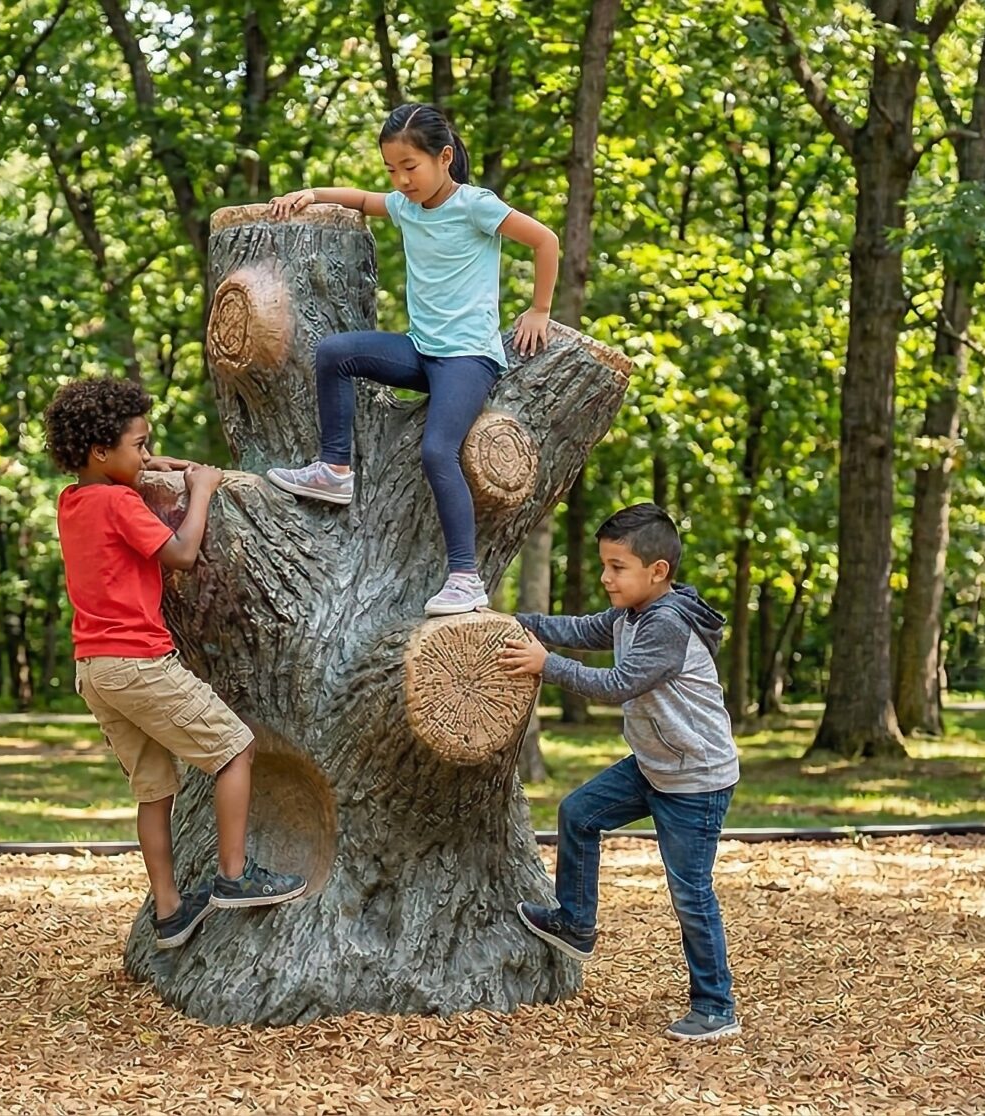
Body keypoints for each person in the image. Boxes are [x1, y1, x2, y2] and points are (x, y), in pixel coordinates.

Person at [263, 102, 561, 617]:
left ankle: (465, 578)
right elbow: (360, 199)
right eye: (392, 170)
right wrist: (311, 194)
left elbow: (545, 240)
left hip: (467, 359)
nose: (401, 180)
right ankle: (335, 469)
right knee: (335, 353)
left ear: (444, 157)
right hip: (422, 352)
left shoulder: (475, 205)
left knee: (436, 450)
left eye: (411, 167)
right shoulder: (405, 207)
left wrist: (539, 309)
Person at [44, 377, 305, 949]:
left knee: (154, 791)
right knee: (235, 749)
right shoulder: (118, 501)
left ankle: (169, 911)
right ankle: (234, 878)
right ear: (100, 452)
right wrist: (203, 490)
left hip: (94, 669)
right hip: (139, 662)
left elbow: (130, 471)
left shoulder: (75, 500)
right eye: (140, 444)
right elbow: (182, 555)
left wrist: (146, 461)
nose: (147, 453)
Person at [496, 503, 743, 1042]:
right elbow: (582, 628)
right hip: (656, 766)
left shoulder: (667, 624)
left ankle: (716, 1006)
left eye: (617, 567)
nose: (606, 577)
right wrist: (516, 624)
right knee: (579, 814)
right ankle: (576, 924)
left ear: (658, 571)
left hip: (695, 781)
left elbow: (618, 684)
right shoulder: (630, 614)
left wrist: (547, 666)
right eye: (605, 565)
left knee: (691, 894)